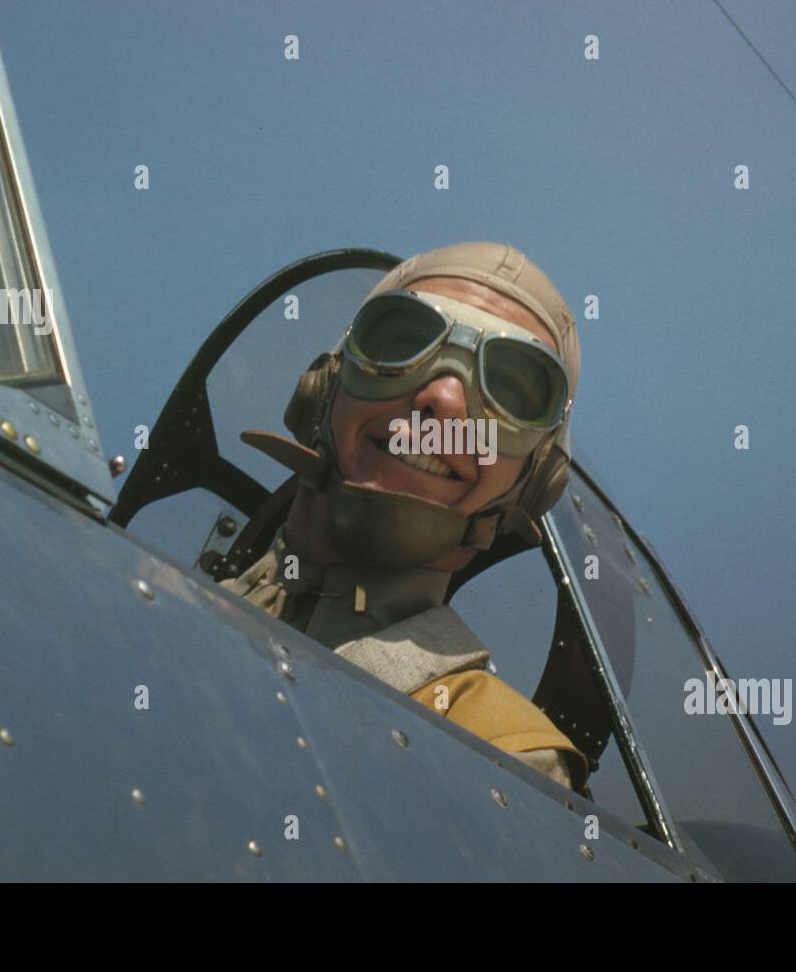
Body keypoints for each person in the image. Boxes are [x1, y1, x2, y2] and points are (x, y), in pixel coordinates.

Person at [220, 241, 588, 791]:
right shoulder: (154, 597)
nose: (443, 398)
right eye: (401, 341)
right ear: (324, 387)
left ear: (534, 483)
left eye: (510, 388)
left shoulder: (506, 763)